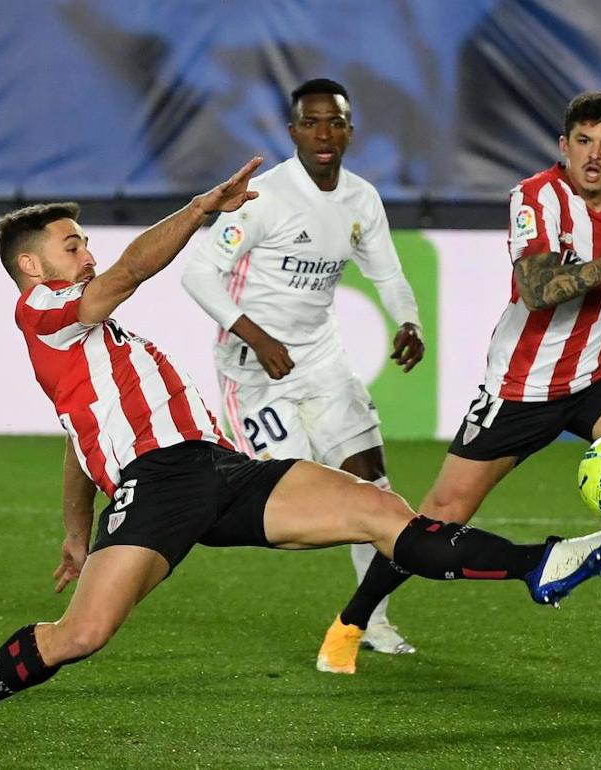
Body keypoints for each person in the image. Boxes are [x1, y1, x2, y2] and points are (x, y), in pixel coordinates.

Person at [0, 156, 601, 760]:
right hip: (157, 486)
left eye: (84, 238)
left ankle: (540, 564)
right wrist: (200, 210)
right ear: (34, 266)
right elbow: (126, 275)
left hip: (219, 468)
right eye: (71, 242)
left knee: (380, 512)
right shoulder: (43, 310)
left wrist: (72, 526)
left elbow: (75, 431)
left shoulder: (93, 344)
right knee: (80, 636)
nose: (86, 251)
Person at [319, 90, 601, 674]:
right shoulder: (535, 199)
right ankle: (353, 621)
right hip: (522, 388)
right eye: (582, 142)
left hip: (599, 375)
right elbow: (535, 291)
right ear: (563, 147)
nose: (594, 156)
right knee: (438, 515)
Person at [181, 78, 424, 662]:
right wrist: (256, 335)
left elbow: (387, 273)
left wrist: (408, 321)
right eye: (311, 123)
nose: (324, 134)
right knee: (295, 501)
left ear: (349, 129)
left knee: (375, 489)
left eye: (335, 122)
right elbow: (197, 275)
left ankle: (370, 621)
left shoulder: (361, 198)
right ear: (293, 132)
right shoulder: (263, 198)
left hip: (320, 356)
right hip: (254, 368)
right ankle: (191, 516)